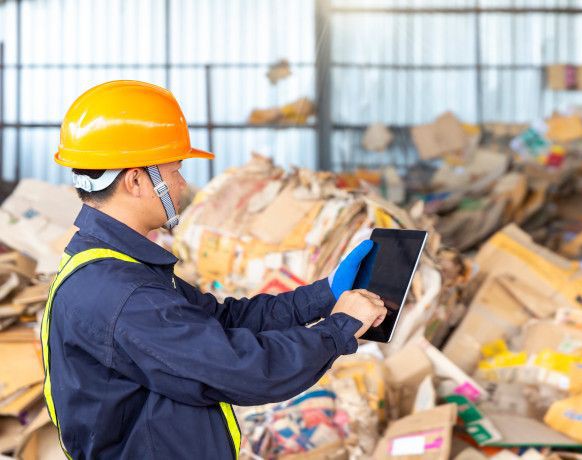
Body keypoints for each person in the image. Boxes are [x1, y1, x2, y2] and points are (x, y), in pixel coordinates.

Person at [41, 80, 387, 459]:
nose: (183, 183)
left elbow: (223, 321)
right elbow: (245, 369)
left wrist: (323, 295)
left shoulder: (116, 265)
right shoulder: (123, 294)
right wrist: (339, 329)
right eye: (175, 170)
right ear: (137, 180)